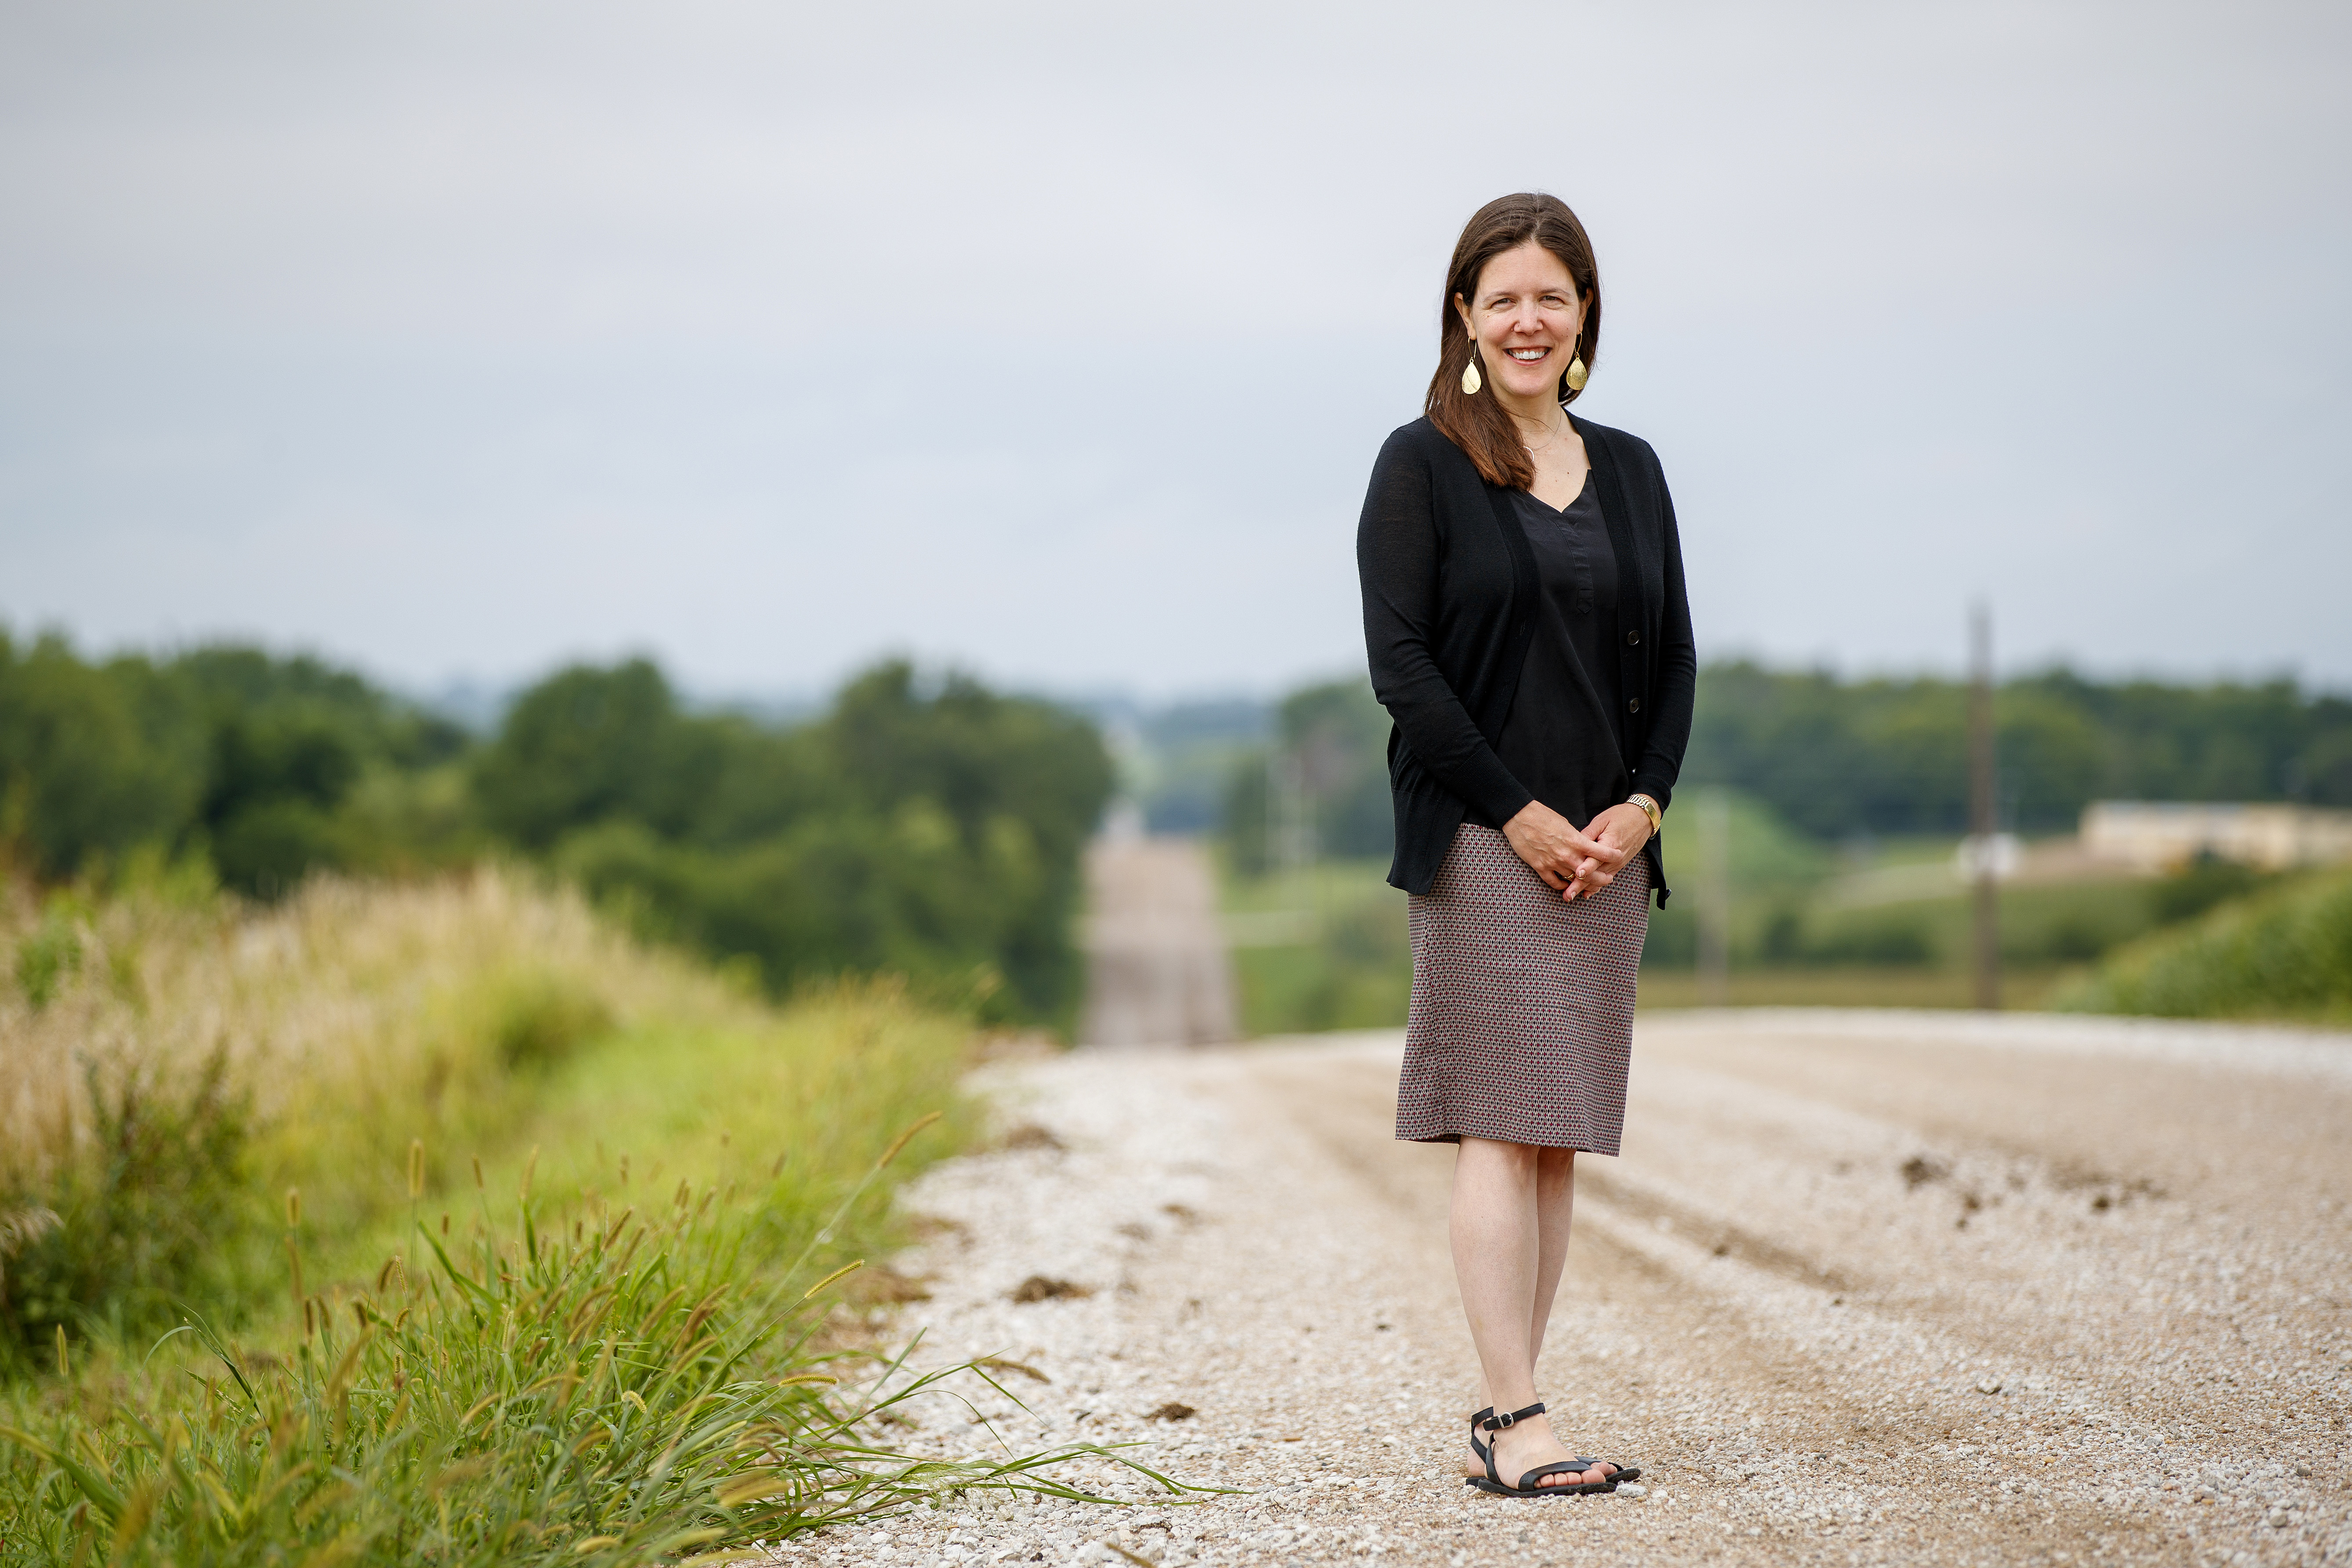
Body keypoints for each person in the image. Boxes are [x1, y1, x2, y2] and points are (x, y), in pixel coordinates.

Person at [1356, 192, 1696, 1498]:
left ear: (1584, 314)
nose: (1526, 319)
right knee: (1500, 1127)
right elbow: (1404, 669)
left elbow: (1671, 658)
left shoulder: (1635, 468)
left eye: (1550, 295)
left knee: (1552, 1132)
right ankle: (1516, 1413)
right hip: (1485, 833)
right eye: (1501, 297)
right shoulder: (1420, 461)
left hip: (1604, 845)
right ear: (1461, 316)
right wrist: (1516, 809)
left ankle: (1513, 1409)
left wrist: (1642, 803)